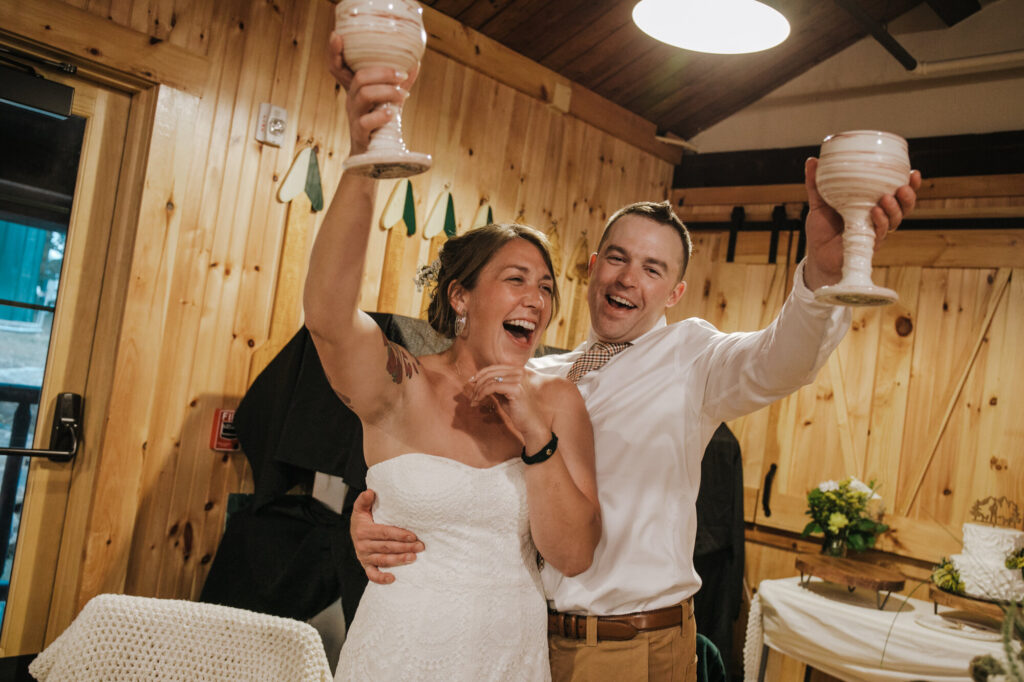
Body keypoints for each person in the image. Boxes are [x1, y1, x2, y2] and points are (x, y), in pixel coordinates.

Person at [351, 133, 921, 679]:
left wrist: (823, 275)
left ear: (674, 292)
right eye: (618, 259)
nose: (628, 279)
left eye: (653, 269)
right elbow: (466, 486)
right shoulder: (535, 376)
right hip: (523, 638)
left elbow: (781, 360)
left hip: (628, 647)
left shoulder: (692, 359)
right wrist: (380, 518)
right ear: (592, 267)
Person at [308, 36, 601, 681]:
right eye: (518, 279)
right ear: (461, 297)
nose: (539, 298)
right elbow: (328, 320)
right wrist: (364, 161)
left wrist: (538, 439)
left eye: (547, 286)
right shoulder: (401, 384)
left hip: (511, 656)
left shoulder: (557, 401)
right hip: (401, 653)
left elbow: (574, 553)